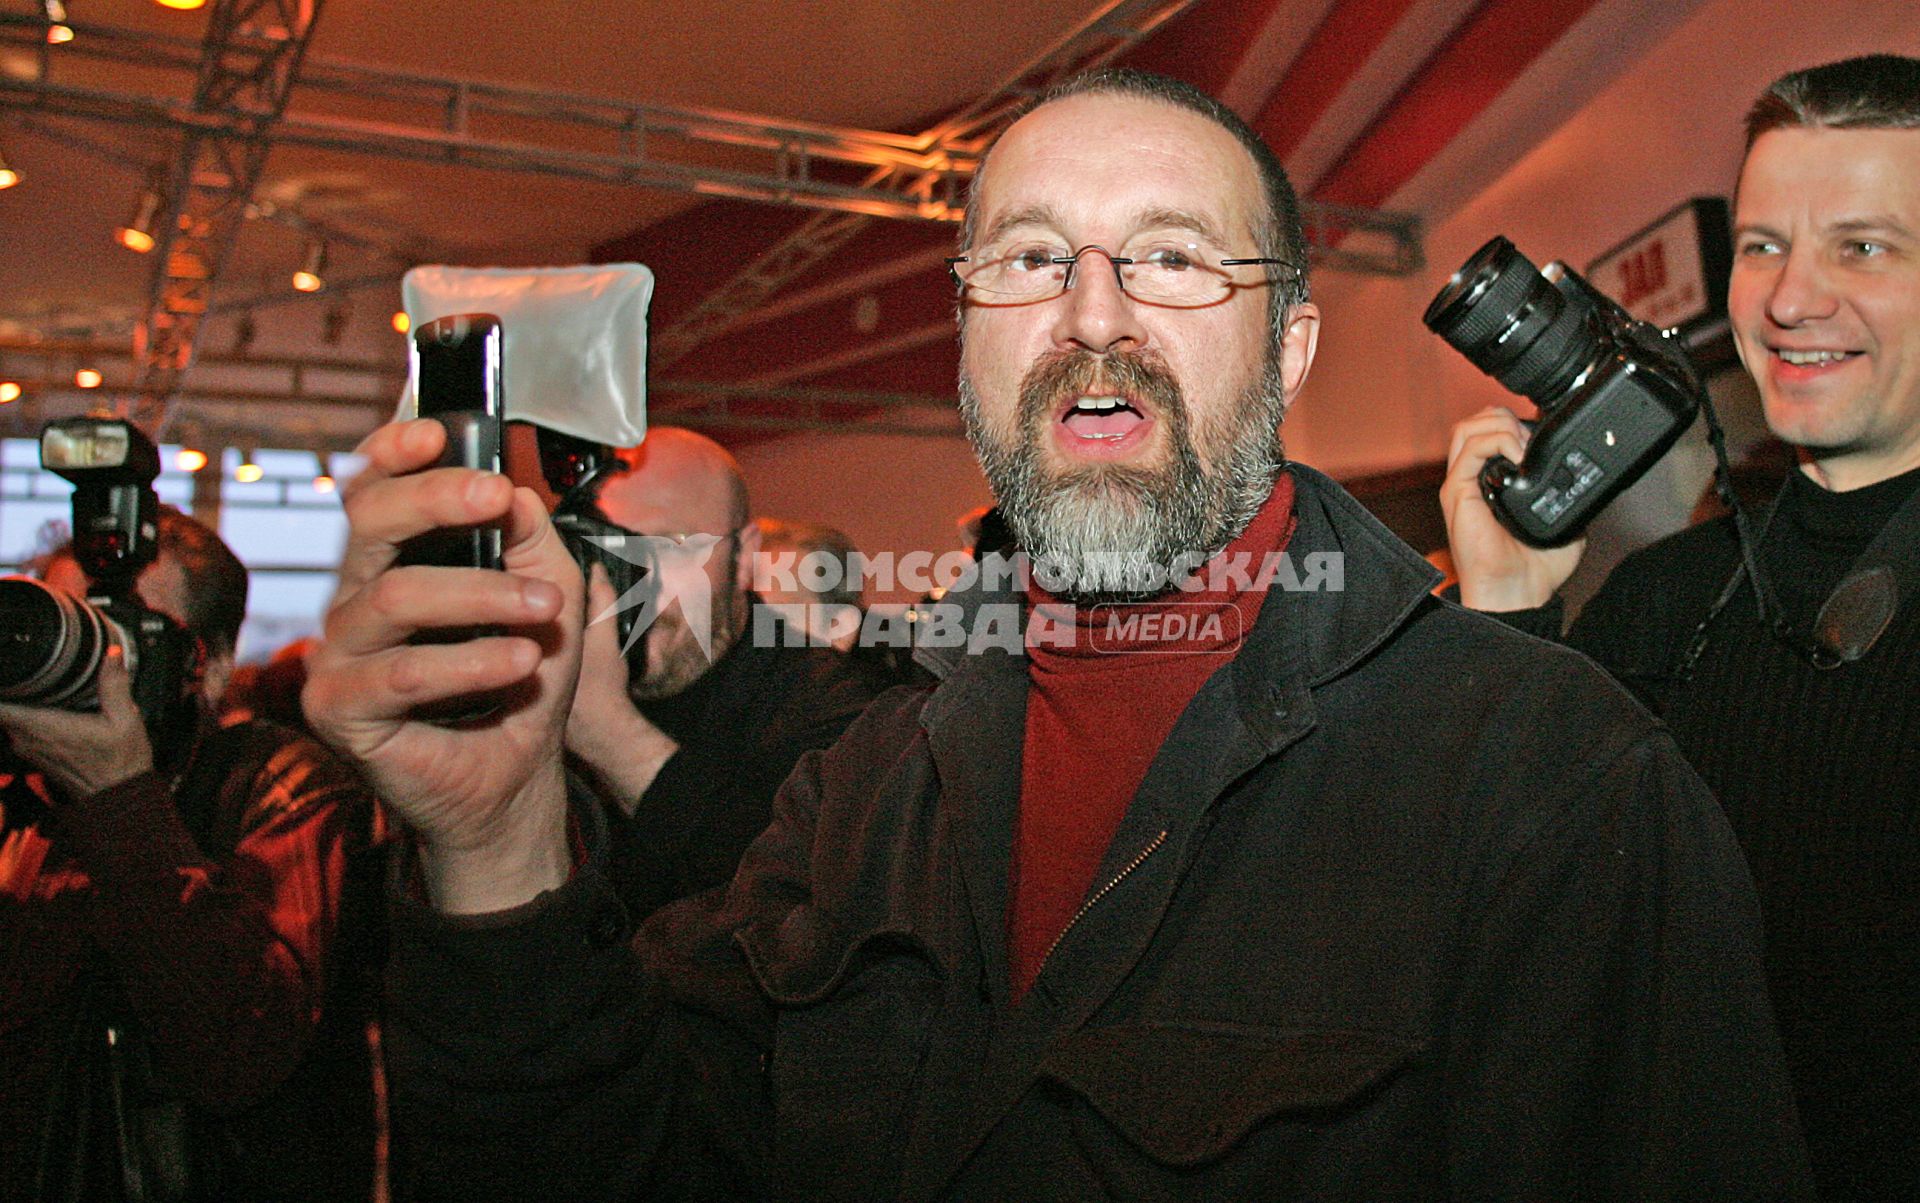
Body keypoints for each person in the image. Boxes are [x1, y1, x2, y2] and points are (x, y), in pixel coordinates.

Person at [308, 69, 1810, 1199]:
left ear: (1288, 344)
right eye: (1029, 261)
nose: (1093, 315)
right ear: (969, 340)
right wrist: (496, 845)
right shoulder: (861, 794)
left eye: (1168, 257)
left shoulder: (1549, 784)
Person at [1442, 54, 1920, 1199]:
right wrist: (1510, 615)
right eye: (1762, 245)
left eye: (1863, 246)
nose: (1789, 299)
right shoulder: (1667, 596)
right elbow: (1509, 942)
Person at [0, 509, 382, 1202]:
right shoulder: (20, 793)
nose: (83, 664)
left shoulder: (280, 786)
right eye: (66, 628)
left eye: (115, 636)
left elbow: (240, 1053)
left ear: (210, 667)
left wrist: (118, 798)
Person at [560, 429, 880, 915]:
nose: (631, 582)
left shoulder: (839, 713)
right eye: (607, 550)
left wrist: (607, 733)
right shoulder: (536, 691)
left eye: (668, 547)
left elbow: (803, 905)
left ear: (745, 556)